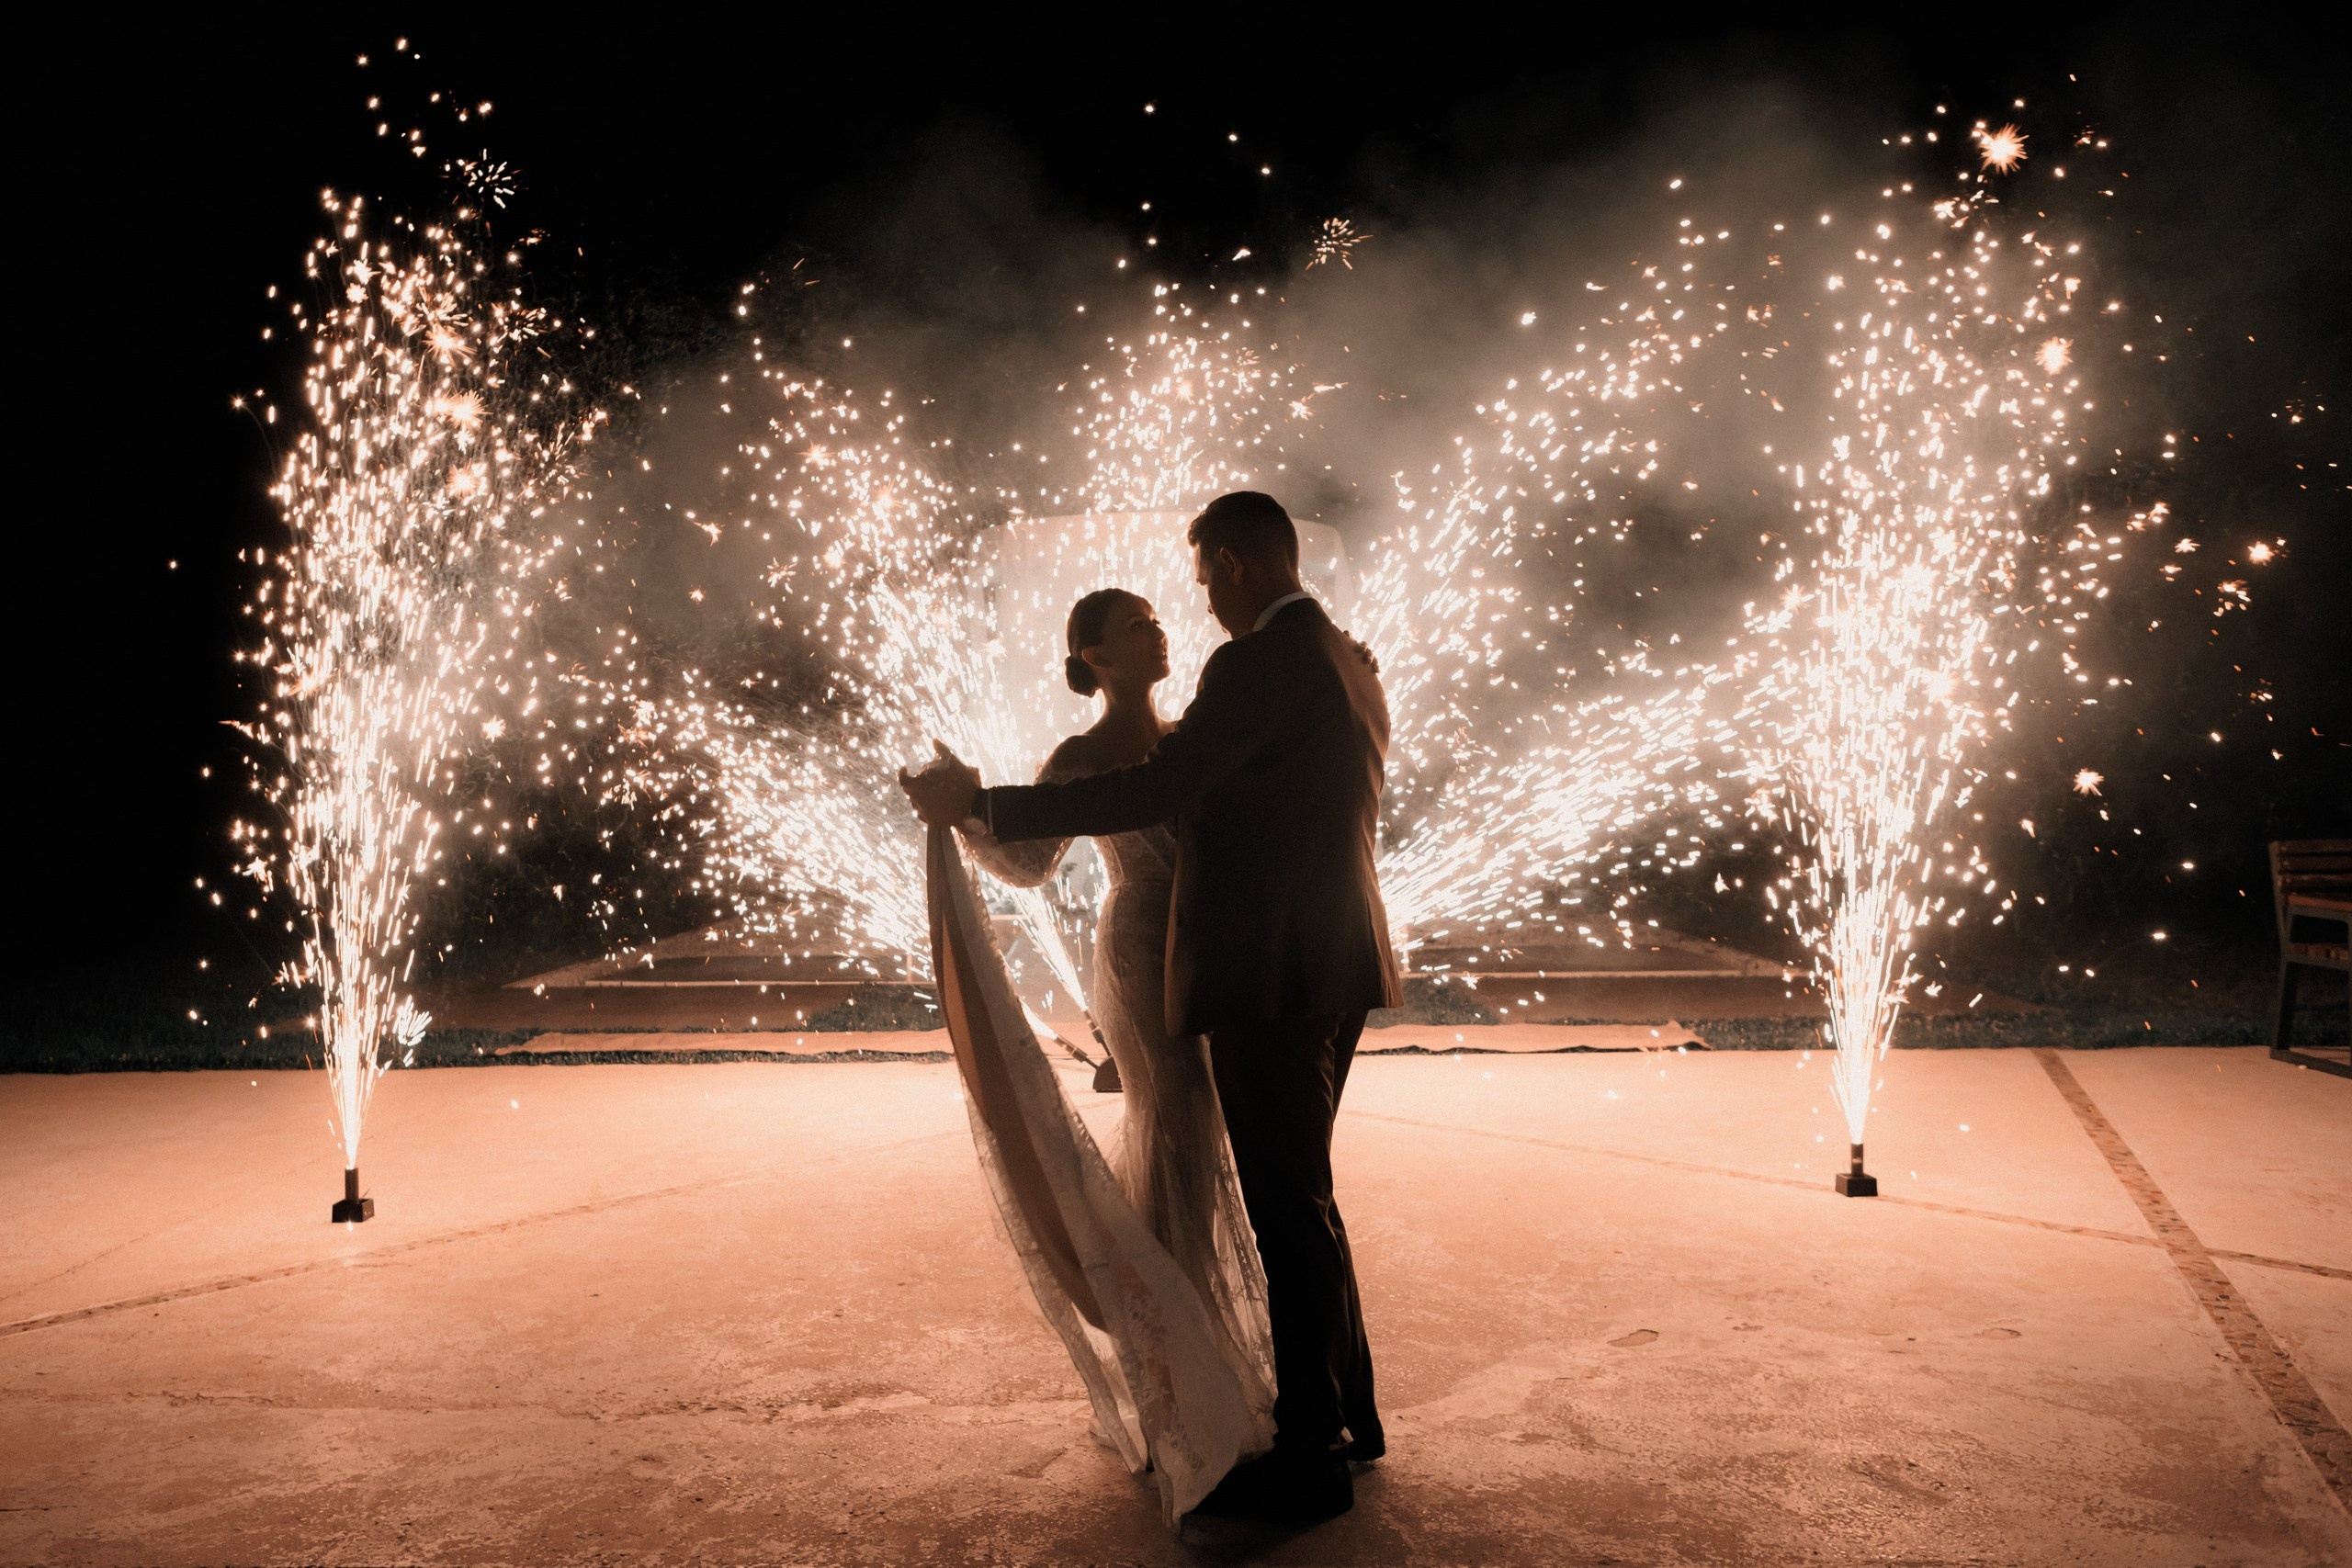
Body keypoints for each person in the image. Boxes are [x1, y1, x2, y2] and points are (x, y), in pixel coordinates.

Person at [904, 491, 1402, 1527]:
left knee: (1284, 1203)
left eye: (1207, 578)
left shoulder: (1252, 667)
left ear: (1237, 565)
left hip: (1269, 972)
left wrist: (982, 804)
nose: (1199, 604)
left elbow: (1154, 789)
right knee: (1302, 1195)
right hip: (1332, 961)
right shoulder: (1347, 660)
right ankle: (1346, 1415)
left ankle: (1311, 1451)